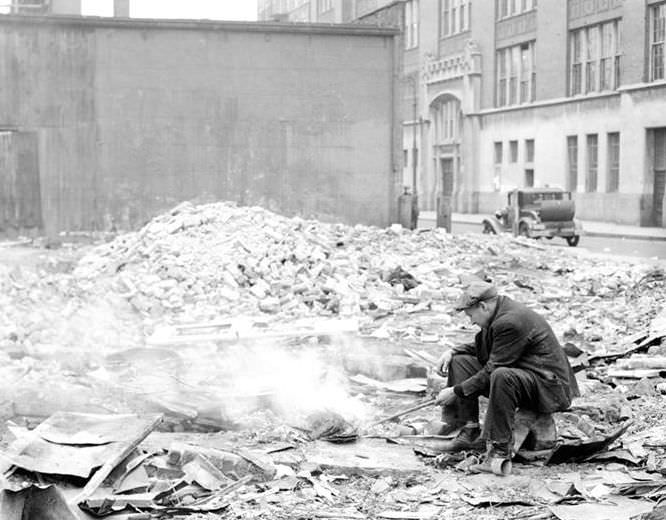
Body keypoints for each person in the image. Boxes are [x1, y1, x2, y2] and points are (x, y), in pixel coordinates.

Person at [433, 280, 579, 464]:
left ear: (484, 306)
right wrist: (453, 351)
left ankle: (500, 449)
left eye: (471, 315)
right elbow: (493, 348)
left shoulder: (510, 321)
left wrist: (456, 391)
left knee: (501, 375)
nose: (471, 321)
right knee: (460, 362)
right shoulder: (499, 312)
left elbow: (493, 367)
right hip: (529, 376)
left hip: (548, 387)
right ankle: (469, 431)